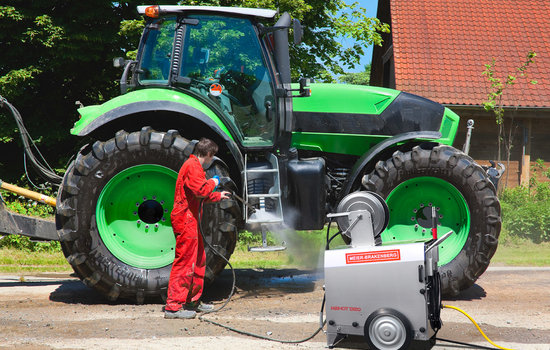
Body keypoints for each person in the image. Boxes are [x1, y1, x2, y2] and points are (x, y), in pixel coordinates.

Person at [164, 138, 230, 319]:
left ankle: (192, 301)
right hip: (185, 220)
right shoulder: (192, 166)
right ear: (208, 154)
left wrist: (217, 195)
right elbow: (202, 190)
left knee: (199, 260)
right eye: (212, 156)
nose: (212, 160)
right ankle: (173, 307)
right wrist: (214, 182)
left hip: (191, 220)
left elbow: (199, 195)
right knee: (185, 263)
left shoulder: (195, 167)